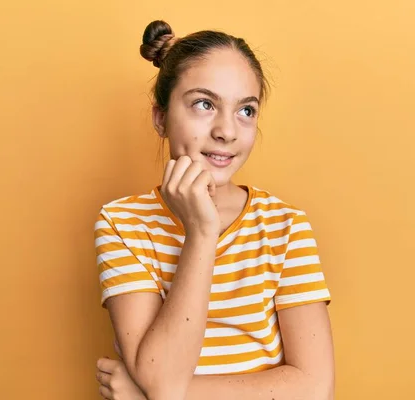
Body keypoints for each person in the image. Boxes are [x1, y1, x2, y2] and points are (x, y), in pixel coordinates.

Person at [94, 20, 334, 400]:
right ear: (161, 118)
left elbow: (315, 388)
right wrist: (201, 232)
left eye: (246, 111)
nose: (226, 130)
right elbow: (164, 378)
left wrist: (147, 396)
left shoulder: (285, 226)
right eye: (204, 104)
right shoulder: (123, 224)